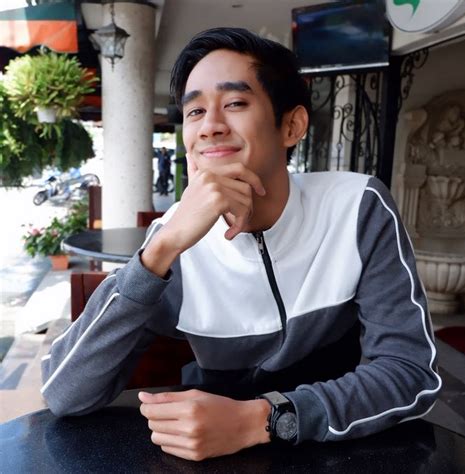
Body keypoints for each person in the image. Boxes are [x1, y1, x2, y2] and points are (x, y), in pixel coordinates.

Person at [41, 27, 441, 461]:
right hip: (209, 461)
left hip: (339, 453)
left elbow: (411, 372)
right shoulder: (174, 242)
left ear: (292, 125)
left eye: (234, 103)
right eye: (195, 111)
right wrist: (159, 251)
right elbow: (64, 394)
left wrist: (262, 419)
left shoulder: (357, 207)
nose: (210, 126)